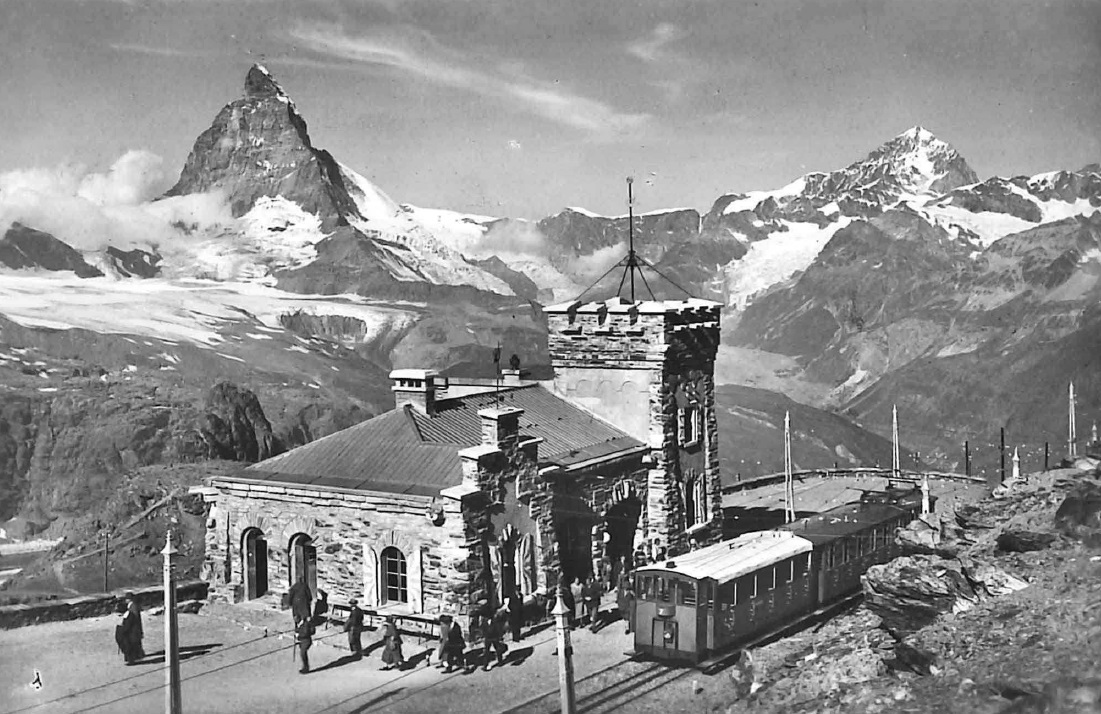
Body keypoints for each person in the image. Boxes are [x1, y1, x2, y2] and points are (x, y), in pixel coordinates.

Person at [480, 606, 508, 671]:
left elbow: (498, 629)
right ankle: (485, 665)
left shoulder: (495, 620)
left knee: (498, 650)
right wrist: (483, 636)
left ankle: (500, 661)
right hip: (487, 638)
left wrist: (500, 637)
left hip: (495, 637)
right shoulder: (484, 621)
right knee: (486, 651)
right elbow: (483, 629)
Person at [123, 593, 144, 662]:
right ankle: (139, 654)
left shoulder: (133, 606)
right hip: (134, 626)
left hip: (133, 627)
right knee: (136, 641)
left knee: (134, 641)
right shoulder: (132, 605)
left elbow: (134, 616)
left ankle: (136, 655)